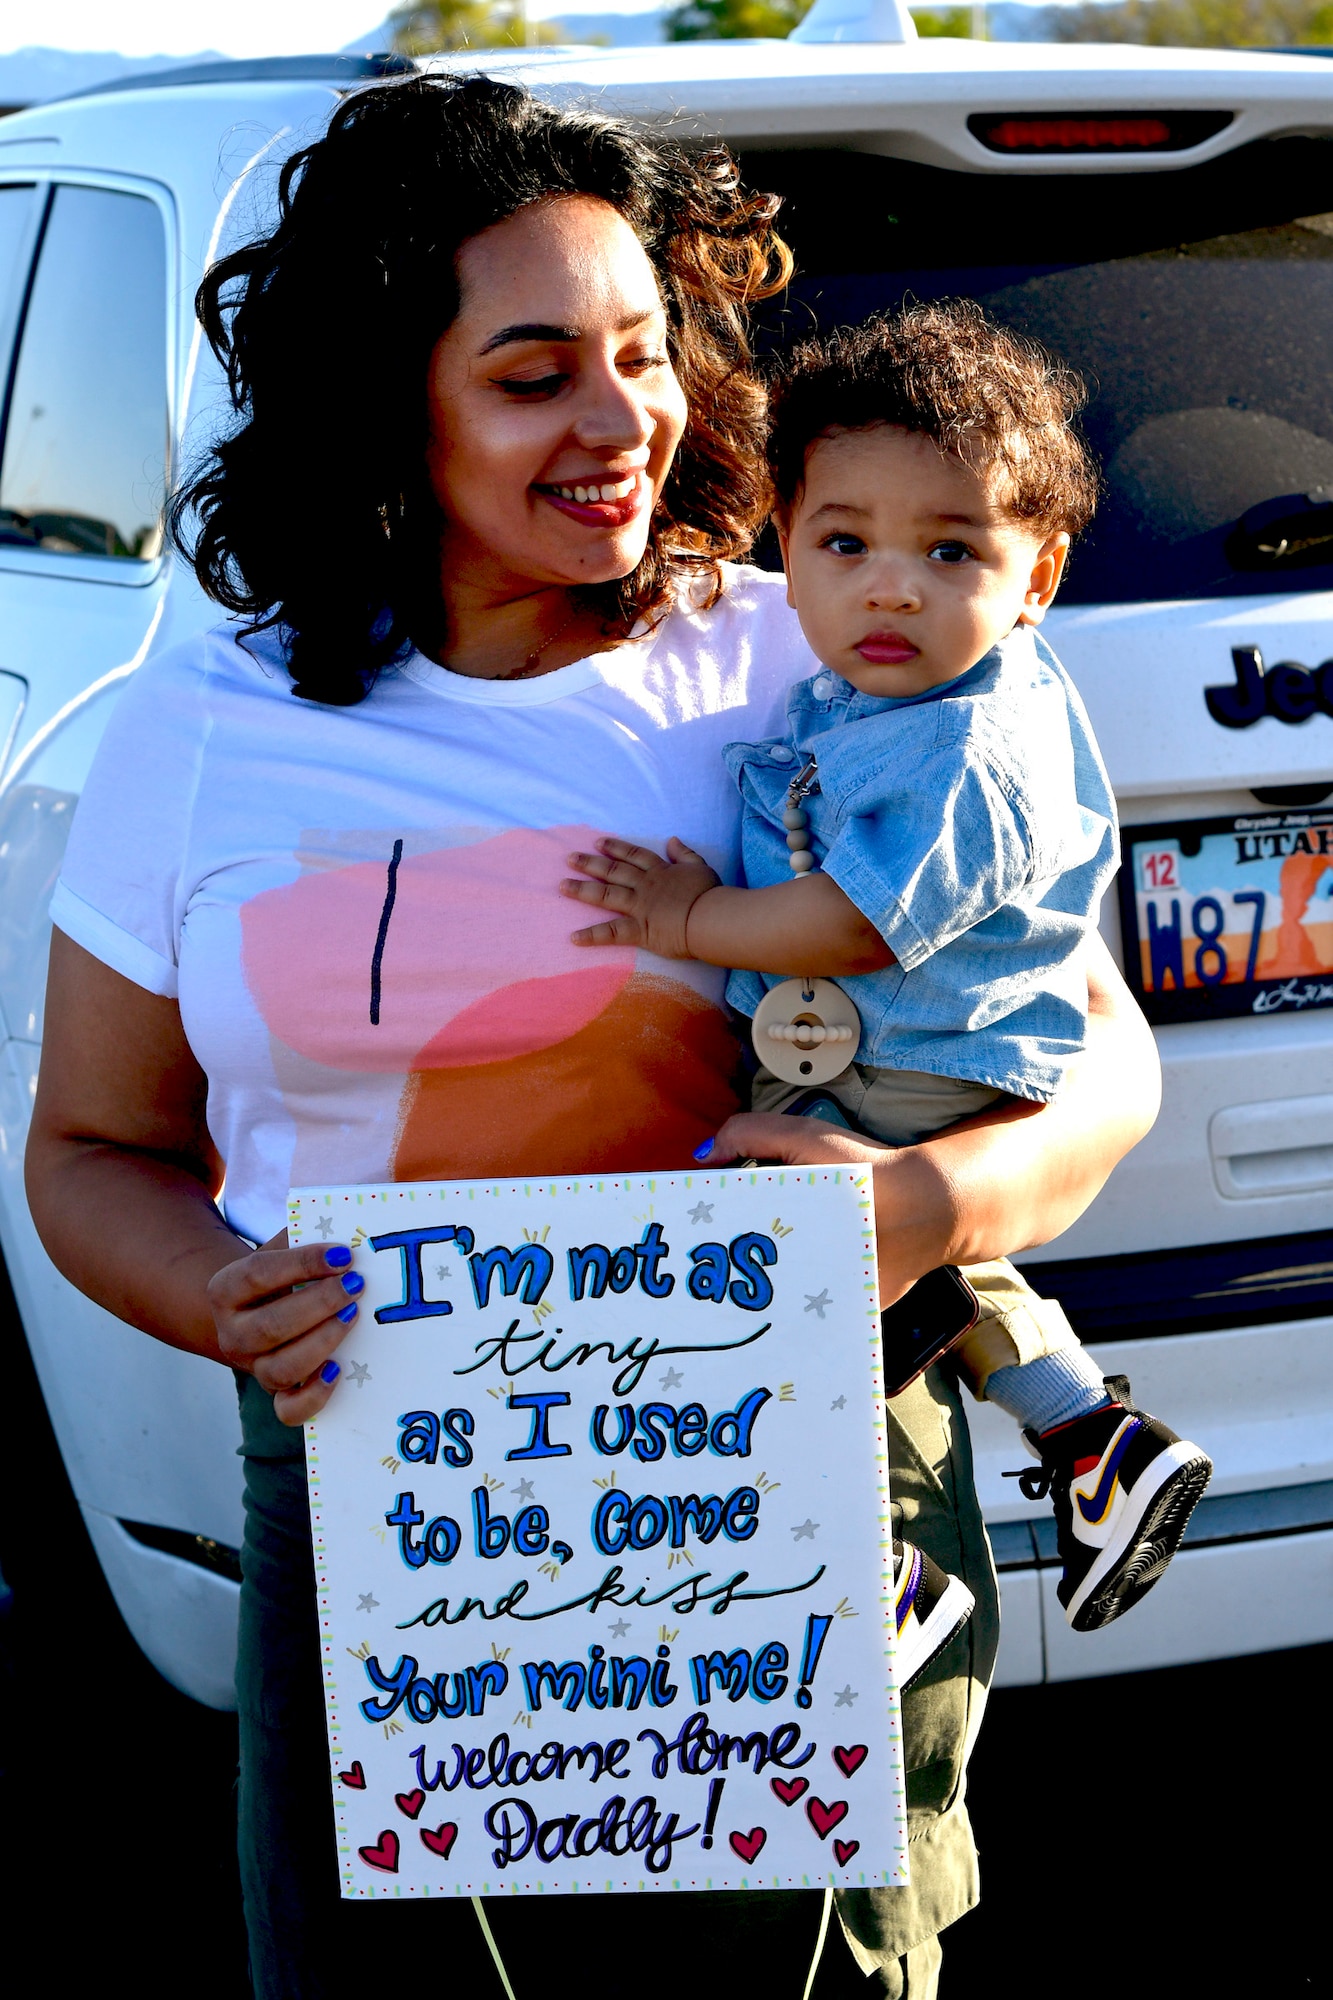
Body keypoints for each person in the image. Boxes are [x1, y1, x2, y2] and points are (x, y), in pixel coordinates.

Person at [23, 75, 1161, 2000]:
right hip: (388, 1490)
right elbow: (88, 1149)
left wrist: (926, 1204)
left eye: (641, 352)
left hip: (798, 1498)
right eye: (533, 368)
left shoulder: (820, 647)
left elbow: (1097, 1054)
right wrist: (220, 1290)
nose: (621, 417)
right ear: (392, 398)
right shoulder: (203, 726)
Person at [563, 303, 1212, 1643]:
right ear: (780, 553)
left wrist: (687, 921)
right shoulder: (876, 698)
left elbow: (857, 926)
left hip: (905, 1055)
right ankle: (1093, 1441)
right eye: (842, 542)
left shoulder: (969, 743)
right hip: (888, 1055)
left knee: (752, 1287)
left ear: (1036, 579)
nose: (891, 585)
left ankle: (863, 1572)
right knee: (905, 1274)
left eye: (951, 549)